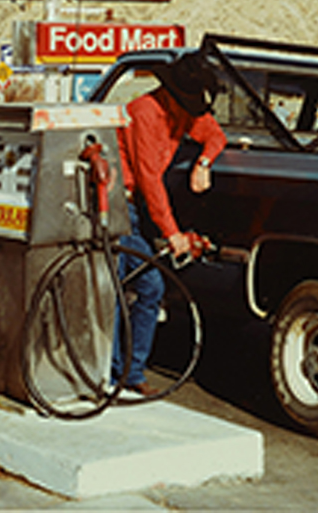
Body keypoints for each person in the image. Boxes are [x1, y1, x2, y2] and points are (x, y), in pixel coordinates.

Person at [112, 51, 226, 396]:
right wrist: (172, 233)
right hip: (121, 206)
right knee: (130, 287)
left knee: (136, 288)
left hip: (139, 210)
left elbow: (215, 134)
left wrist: (203, 163)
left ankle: (125, 371)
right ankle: (119, 372)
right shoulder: (144, 112)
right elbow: (149, 179)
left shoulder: (183, 112)